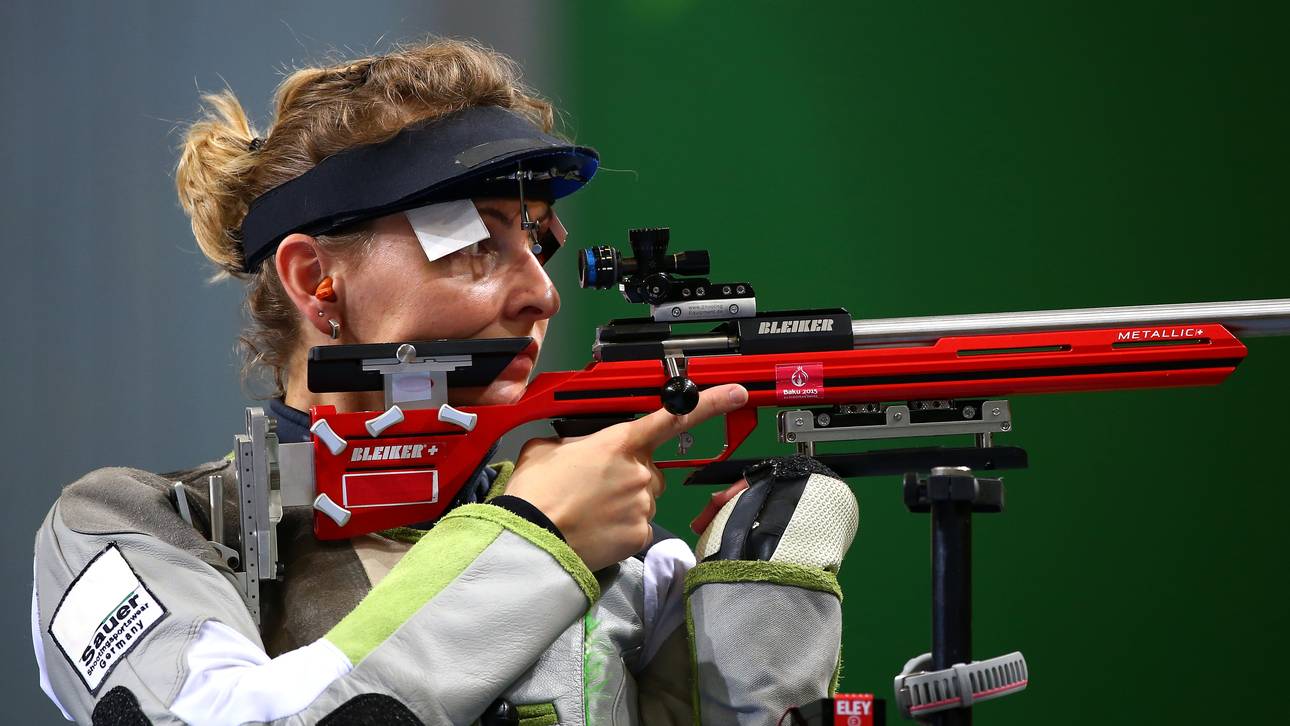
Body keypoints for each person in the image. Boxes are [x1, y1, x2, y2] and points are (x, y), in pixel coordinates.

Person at [30, 39, 858, 725]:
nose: (539, 292)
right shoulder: (131, 530)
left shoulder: (626, 569)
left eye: (539, 245)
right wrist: (536, 535)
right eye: (474, 244)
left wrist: (757, 621)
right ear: (317, 278)